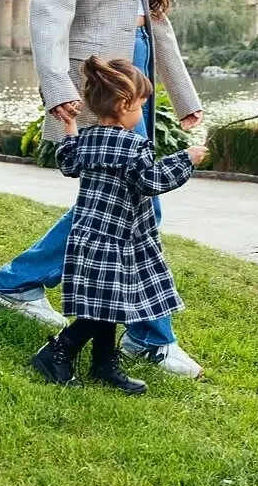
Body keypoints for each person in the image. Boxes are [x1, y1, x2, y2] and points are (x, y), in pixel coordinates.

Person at [0, 0, 208, 379]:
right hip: (95, 88)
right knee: (136, 202)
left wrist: (186, 101)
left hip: (137, 81)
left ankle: (17, 282)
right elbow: (50, 14)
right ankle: (150, 335)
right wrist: (57, 86)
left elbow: (159, 26)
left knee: (113, 204)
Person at [32, 56, 207, 393]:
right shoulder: (134, 146)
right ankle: (58, 351)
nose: (141, 112)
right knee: (103, 307)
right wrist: (188, 158)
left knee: (107, 303)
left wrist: (69, 129)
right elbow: (151, 181)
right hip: (117, 240)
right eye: (141, 105)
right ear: (124, 104)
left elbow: (68, 163)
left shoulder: (89, 138)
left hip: (89, 234)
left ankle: (103, 364)